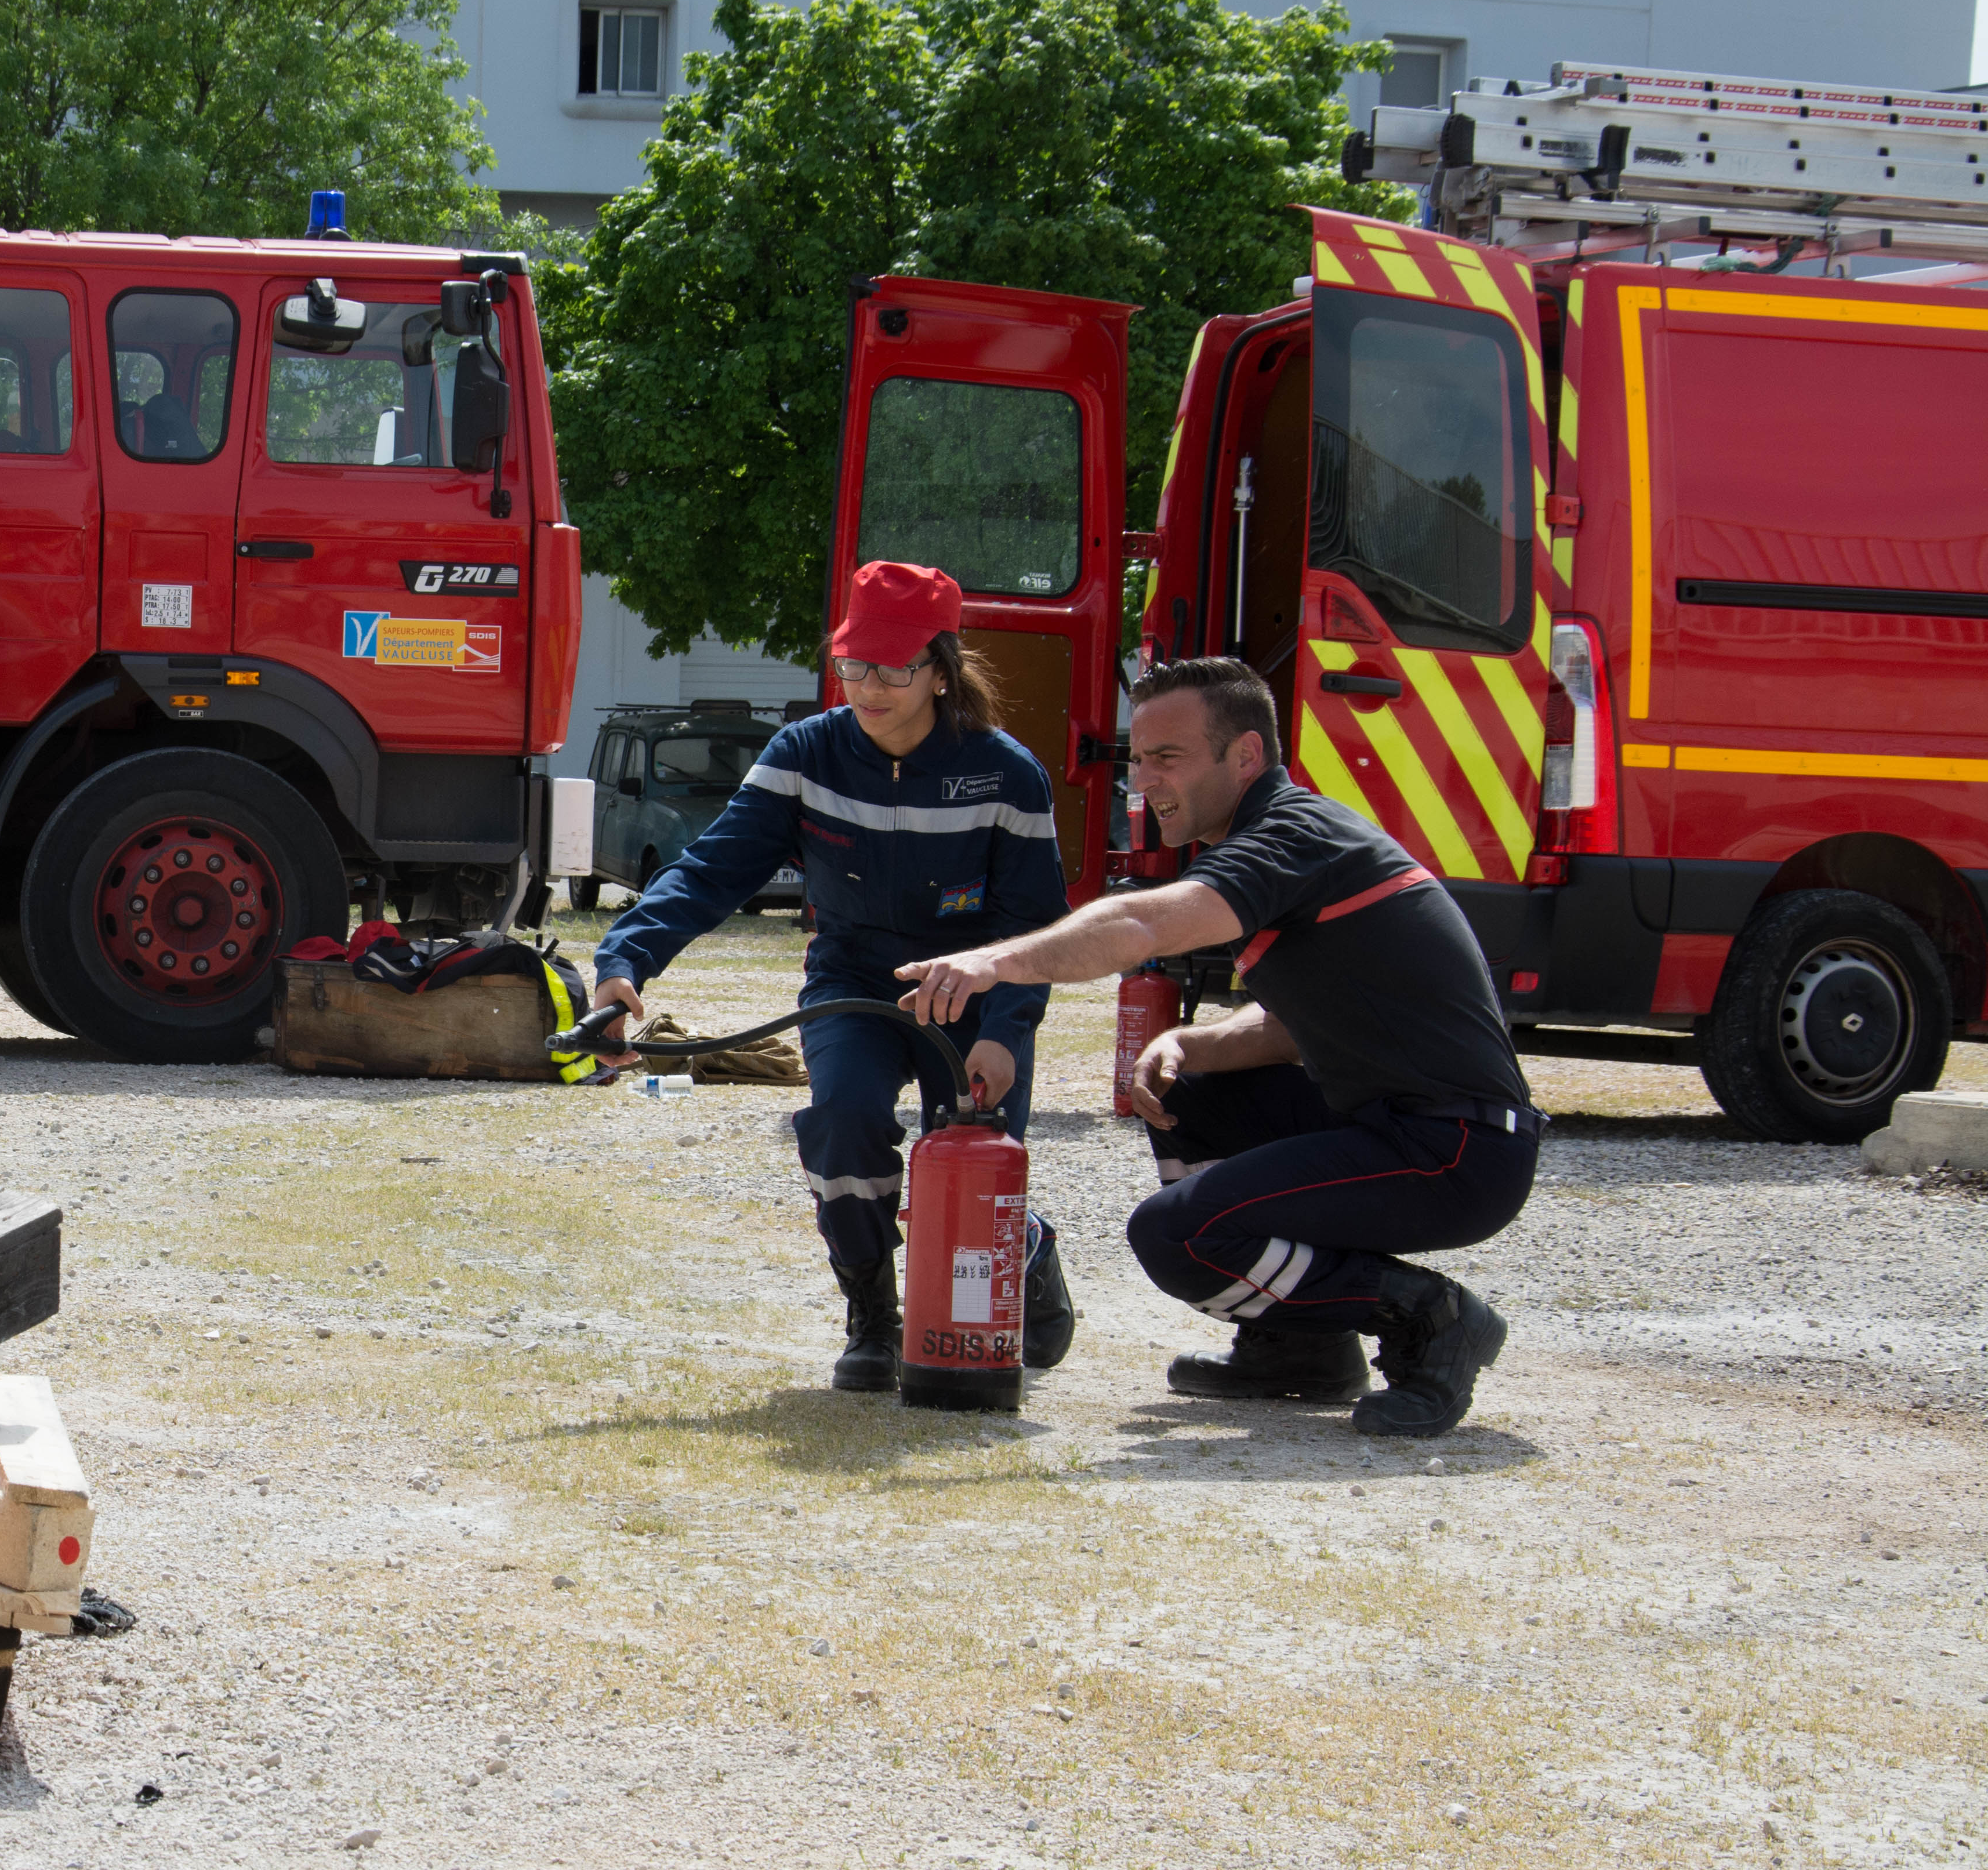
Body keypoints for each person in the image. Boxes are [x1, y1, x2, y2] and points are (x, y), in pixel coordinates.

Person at [894, 656, 1535, 1439]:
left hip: (1456, 1149)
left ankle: (1429, 1316)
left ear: (1246, 758)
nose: (1146, 781)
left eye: (1169, 759)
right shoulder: (1289, 839)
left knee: (1175, 1235)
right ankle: (1300, 1347)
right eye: (1139, 759)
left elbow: (1142, 927)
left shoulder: (1294, 835)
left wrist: (994, 963)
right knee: (1190, 1092)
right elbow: (1307, 1028)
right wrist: (1192, 1045)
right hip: (1408, 1125)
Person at [583, 561, 1075, 1401]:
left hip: (976, 989)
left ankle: (1022, 1246)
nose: (869, 687)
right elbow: (711, 871)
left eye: (892, 668)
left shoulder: (1007, 775)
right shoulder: (804, 755)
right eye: (853, 665)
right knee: (842, 1120)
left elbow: (1034, 928)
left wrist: (1006, 1031)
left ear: (942, 670)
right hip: (853, 979)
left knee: (974, 1159)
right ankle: (872, 1317)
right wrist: (625, 961)